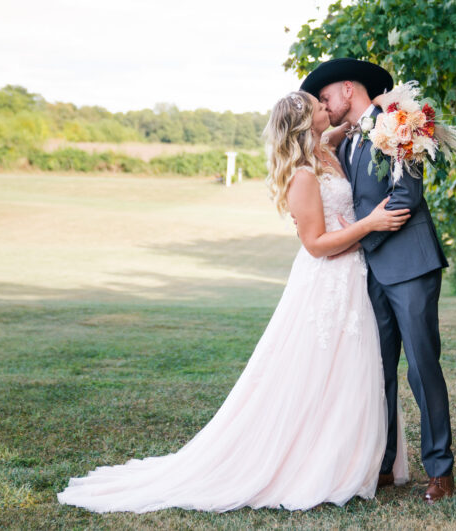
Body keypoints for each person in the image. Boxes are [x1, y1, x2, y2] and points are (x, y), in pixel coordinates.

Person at [57, 90, 410, 513]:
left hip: (353, 278)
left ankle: (352, 459)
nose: (325, 108)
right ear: (303, 123)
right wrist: (370, 223)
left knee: (352, 369)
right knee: (319, 372)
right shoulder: (302, 175)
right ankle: (315, 465)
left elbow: (344, 127)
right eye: (318, 106)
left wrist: (377, 110)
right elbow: (316, 244)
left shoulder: (326, 149)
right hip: (328, 280)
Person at [300, 58, 456, 503]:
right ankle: (383, 464)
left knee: (422, 370)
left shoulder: (397, 124)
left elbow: (405, 197)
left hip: (409, 266)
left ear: (348, 89)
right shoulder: (346, 141)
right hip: (368, 273)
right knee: (378, 371)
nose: (324, 105)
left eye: (326, 96)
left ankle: (440, 470)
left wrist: (359, 237)